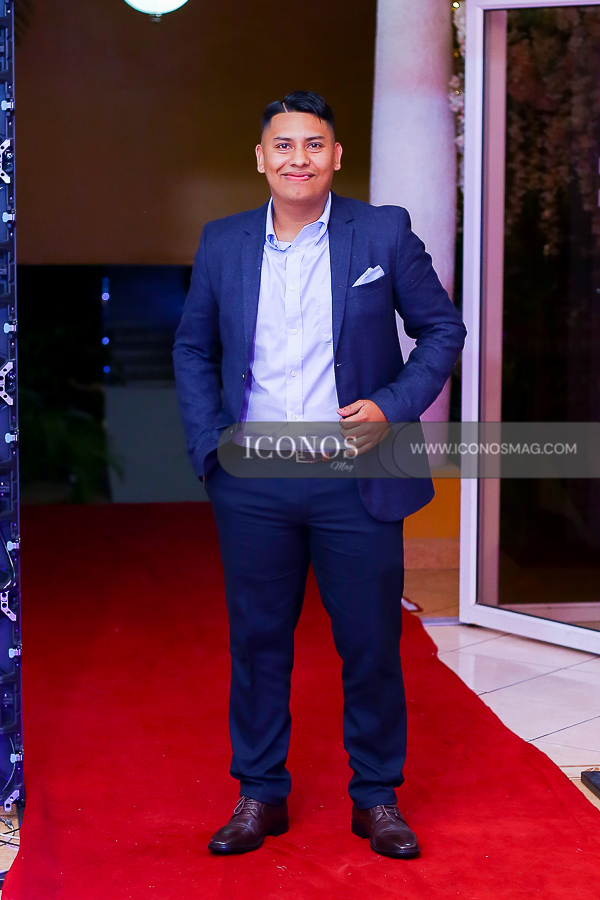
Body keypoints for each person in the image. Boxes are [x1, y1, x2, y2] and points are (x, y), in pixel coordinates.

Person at [173, 91, 466, 859]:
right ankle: (260, 793)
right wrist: (209, 447)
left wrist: (392, 406)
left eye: (313, 144)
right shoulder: (223, 243)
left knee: (370, 643)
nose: (297, 158)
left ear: (335, 156)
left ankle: (376, 797)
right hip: (254, 477)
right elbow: (193, 347)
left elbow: (442, 328)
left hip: (356, 473)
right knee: (258, 641)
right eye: (283, 145)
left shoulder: (382, 231)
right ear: (261, 158)